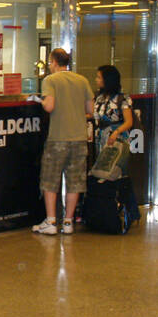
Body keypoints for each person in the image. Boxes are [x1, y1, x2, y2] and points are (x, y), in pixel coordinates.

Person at [33, 48, 94, 236]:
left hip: (58, 137)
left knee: (50, 179)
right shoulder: (82, 80)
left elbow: (49, 106)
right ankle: (68, 222)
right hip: (79, 138)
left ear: (53, 62)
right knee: (75, 180)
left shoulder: (50, 81)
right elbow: (90, 110)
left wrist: (40, 101)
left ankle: (51, 221)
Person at [92, 65, 133, 153]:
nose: (96, 80)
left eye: (99, 77)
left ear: (107, 80)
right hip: (101, 137)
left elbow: (129, 122)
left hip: (116, 139)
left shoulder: (123, 98)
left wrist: (116, 132)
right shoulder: (100, 97)